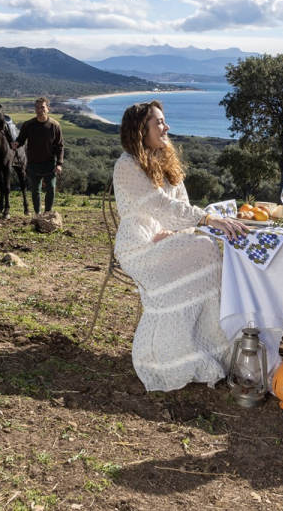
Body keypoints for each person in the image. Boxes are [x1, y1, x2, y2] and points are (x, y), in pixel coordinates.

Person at [113, 100, 247, 392]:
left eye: (164, 121)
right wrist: (208, 219)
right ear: (140, 129)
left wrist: (177, 232)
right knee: (206, 246)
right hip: (139, 247)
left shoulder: (164, 160)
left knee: (207, 246)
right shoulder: (127, 165)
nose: (167, 127)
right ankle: (176, 353)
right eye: (159, 122)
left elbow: (181, 207)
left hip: (167, 241)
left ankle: (207, 344)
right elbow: (160, 205)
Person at [16, 97, 65, 214]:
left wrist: (59, 164)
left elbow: (60, 146)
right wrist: (16, 143)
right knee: (35, 191)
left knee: (51, 189)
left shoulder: (55, 125)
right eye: (37, 107)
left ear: (48, 108)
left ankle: (47, 214)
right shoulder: (28, 125)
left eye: (42, 107)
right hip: (33, 163)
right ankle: (37, 214)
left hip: (50, 163)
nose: (39, 110)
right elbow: (20, 140)